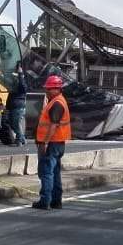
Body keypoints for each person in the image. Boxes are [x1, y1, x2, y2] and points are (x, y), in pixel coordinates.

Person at [32, 73, 72, 210]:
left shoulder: (57, 104)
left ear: (57, 89)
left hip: (53, 143)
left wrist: (45, 142)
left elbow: (53, 125)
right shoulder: (57, 101)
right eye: (47, 89)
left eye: (49, 89)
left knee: (47, 171)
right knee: (55, 172)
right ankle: (56, 201)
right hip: (58, 143)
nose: (47, 91)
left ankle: (45, 201)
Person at [5, 62, 30, 146]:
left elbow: (23, 87)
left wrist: (20, 74)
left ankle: (20, 139)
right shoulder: (13, 84)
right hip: (13, 106)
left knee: (16, 123)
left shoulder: (22, 83)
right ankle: (22, 138)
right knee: (12, 123)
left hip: (18, 106)